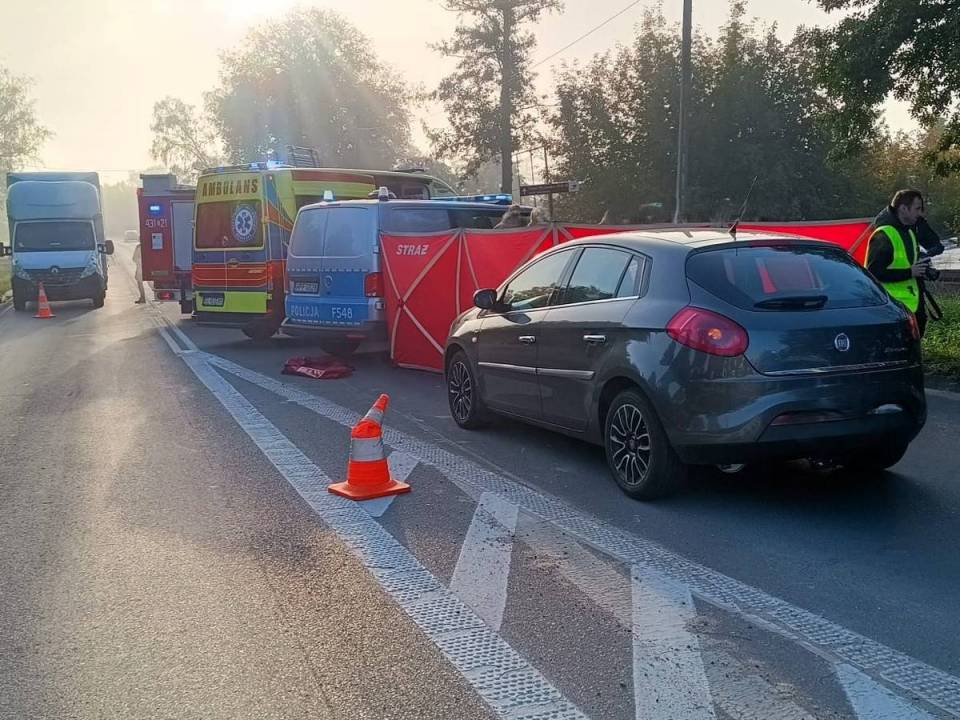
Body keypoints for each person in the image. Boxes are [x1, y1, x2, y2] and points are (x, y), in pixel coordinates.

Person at [867, 189, 944, 337]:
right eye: (917, 208)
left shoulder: (909, 231)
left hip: (913, 304)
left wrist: (924, 268)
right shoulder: (884, 234)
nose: (920, 213)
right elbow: (873, 273)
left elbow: (908, 262)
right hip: (891, 307)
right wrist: (910, 272)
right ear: (903, 208)